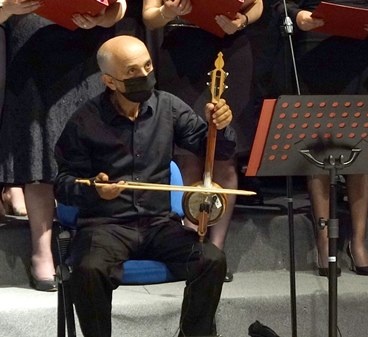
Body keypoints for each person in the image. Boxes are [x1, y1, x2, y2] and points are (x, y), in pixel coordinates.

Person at [54, 35, 235, 337]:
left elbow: (215, 149)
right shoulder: (84, 121)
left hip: (158, 224)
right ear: (109, 81)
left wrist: (221, 126)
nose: (144, 76)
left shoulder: (169, 108)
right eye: (132, 72)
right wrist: (93, 190)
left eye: (148, 66)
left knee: (211, 260)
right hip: (106, 225)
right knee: (88, 270)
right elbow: (62, 184)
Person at [0, 0, 126, 291]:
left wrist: (100, 18)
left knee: (94, 145)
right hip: (31, 48)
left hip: (86, 49)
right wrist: (8, 7)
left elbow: (118, 9)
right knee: (38, 149)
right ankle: (41, 251)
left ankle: (97, 247)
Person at [272, 0, 368, 277]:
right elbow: (281, 4)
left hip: (364, 50)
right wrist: (297, 15)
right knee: (319, 150)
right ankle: (324, 241)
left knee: (360, 149)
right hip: (315, 48)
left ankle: (359, 242)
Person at [142, 0, 264, 282]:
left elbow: (256, 4)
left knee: (225, 152)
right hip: (182, 48)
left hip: (230, 46)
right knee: (187, 153)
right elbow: (149, 17)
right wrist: (168, 11)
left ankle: (216, 251)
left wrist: (241, 22)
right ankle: (189, 247)